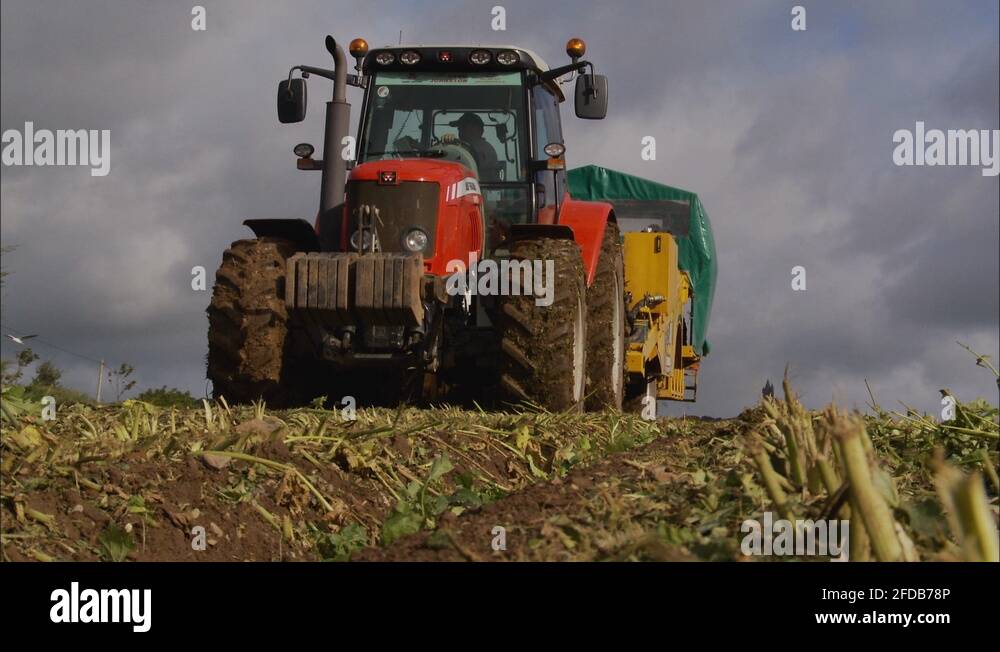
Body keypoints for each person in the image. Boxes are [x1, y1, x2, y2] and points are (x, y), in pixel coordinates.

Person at [442, 113, 501, 181]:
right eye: (460, 128)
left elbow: (466, 165)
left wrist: (452, 146)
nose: (460, 130)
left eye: (463, 127)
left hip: (482, 187)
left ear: (476, 129)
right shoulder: (464, 147)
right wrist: (447, 144)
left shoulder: (485, 149)